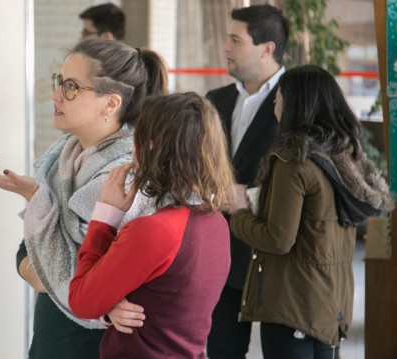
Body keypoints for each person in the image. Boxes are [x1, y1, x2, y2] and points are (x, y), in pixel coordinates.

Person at [0, 39, 168, 359]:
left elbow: (72, 276)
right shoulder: (60, 160)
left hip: (94, 346)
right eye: (59, 82)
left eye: (71, 87)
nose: (56, 95)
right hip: (53, 338)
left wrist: (36, 201)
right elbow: (31, 257)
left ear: (110, 103)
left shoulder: (127, 175)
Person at [229, 65, 392, 358]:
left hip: (294, 305)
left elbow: (278, 239)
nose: (275, 104)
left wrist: (239, 212)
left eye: (278, 97)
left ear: (295, 104)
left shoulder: (294, 160)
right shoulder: (342, 156)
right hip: (331, 304)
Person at [68, 92, 234, 358]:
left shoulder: (155, 230)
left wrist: (105, 218)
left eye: (138, 135)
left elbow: (81, 301)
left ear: (152, 146)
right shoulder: (217, 224)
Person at [204, 4, 289, 358]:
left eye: (235, 40)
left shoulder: (301, 99)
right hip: (221, 256)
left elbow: (313, 173)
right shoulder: (216, 100)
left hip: (280, 257)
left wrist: (250, 197)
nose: (225, 47)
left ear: (267, 48)